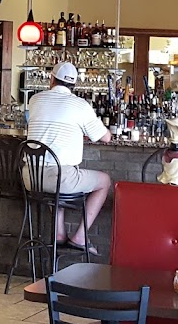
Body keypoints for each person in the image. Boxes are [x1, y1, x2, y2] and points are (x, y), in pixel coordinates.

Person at [24, 61, 112, 252]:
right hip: (59, 178)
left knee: (59, 180)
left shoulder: (35, 100)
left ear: (51, 79)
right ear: (74, 84)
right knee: (104, 181)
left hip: (30, 177)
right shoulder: (80, 105)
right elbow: (106, 138)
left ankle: (59, 234)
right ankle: (80, 237)